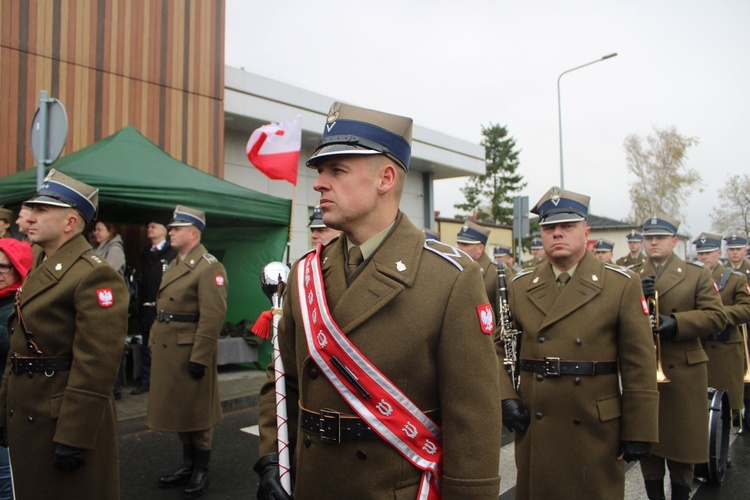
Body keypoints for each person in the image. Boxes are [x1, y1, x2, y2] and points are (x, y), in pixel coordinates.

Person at [255, 102, 502, 499]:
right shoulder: (306, 274)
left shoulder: (449, 278)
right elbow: (282, 380)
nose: (319, 183)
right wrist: (273, 458)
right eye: (320, 171)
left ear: (385, 178)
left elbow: (473, 420)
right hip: (312, 482)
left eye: (337, 170)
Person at [498, 186, 659, 499]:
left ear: (586, 233)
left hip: (595, 425)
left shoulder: (620, 284)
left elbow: (640, 362)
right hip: (538, 421)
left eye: (567, 227)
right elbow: (497, 347)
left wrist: (639, 429)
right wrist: (505, 396)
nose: (557, 234)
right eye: (549, 228)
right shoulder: (520, 286)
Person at [0, 169, 128, 499]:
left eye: (41, 211)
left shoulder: (94, 275)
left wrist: (74, 435)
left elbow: (96, 364)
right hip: (31, 410)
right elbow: (19, 348)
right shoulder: (43, 262)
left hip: (60, 419)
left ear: (70, 223)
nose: (28, 218)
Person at [632, 214, 726, 500]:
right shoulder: (631, 274)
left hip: (684, 370)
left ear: (674, 241)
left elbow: (717, 317)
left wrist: (678, 323)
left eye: (660, 237)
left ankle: (681, 495)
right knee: (647, 439)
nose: (654, 242)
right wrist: (636, 290)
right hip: (645, 368)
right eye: (649, 237)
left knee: (682, 444)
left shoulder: (696, 274)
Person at [146, 205, 227, 499]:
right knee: (180, 411)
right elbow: (162, 308)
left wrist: (200, 357)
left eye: (176, 229)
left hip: (191, 350)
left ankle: (201, 468)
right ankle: (187, 464)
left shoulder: (209, 267)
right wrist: (154, 341)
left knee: (197, 414)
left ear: (193, 233)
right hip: (170, 348)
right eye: (171, 228)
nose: (170, 232)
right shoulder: (176, 262)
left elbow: (212, 316)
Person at [693, 233, 750, 424]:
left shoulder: (734, 279)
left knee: (728, 403)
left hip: (725, 345)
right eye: (700, 254)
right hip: (699, 344)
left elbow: (746, 309)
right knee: (699, 403)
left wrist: (716, 314)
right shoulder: (691, 278)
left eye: (708, 253)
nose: (704, 257)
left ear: (718, 253)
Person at [0, 238, 32, 499]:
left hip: (7, 400)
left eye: (3, 267)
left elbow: (14, 343)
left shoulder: (22, 303)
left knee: (5, 476)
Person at [131, 217, 177, 395]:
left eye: (153, 226)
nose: (148, 229)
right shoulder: (145, 253)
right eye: (147, 226)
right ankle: (146, 381)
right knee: (145, 346)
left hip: (164, 308)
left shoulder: (172, 252)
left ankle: (163, 383)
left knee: (163, 347)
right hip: (146, 307)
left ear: (164, 230)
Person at [456, 220, 506, 314]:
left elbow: (502, 316)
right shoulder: (456, 269)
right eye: (458, 243)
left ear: (480, 248)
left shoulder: (498, 272)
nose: (459, 248)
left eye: (465, 244)